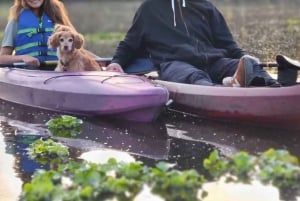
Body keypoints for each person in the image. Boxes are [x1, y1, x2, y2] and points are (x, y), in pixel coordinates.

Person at [107, 0, 281, 87]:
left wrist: (244, 58)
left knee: (248, 64)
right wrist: (116, 62)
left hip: (214, 62)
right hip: (176, 64)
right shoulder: (149, 9)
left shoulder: (206, 7)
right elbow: (129, 44)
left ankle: (276, 90)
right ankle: (225, 91)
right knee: (193, 77)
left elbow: (228, 44)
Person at [0, 0, 75, 68]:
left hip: (58, 72)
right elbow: (2, 58)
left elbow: (77, 49)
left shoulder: (58, 16)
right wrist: (22, 58)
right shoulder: (16, 20)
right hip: (28, 73)